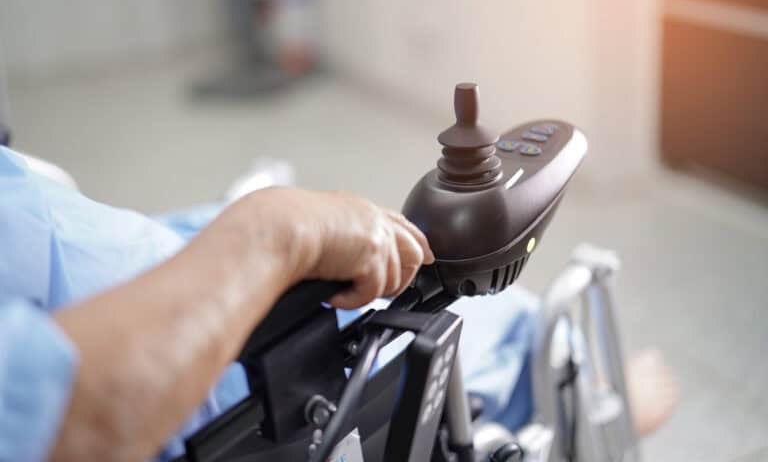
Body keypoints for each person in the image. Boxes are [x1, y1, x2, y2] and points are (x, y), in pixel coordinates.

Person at [0, 146, 676, 462]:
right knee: (500, 322)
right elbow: (71, 413)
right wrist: (275, 234)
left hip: (110, 251)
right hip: (180, 362)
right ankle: (599, 402)